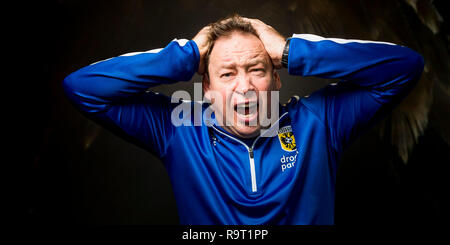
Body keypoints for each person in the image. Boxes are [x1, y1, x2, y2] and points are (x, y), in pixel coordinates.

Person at [63, 15, 424, 225]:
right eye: (227, 74)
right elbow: (82, 87)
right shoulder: (178, 128)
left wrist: (290, 50)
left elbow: (404, 67)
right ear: (205, 87)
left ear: (277, 77)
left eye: (256, 69)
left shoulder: (319, 121)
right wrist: (184, 56)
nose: (245, 87)